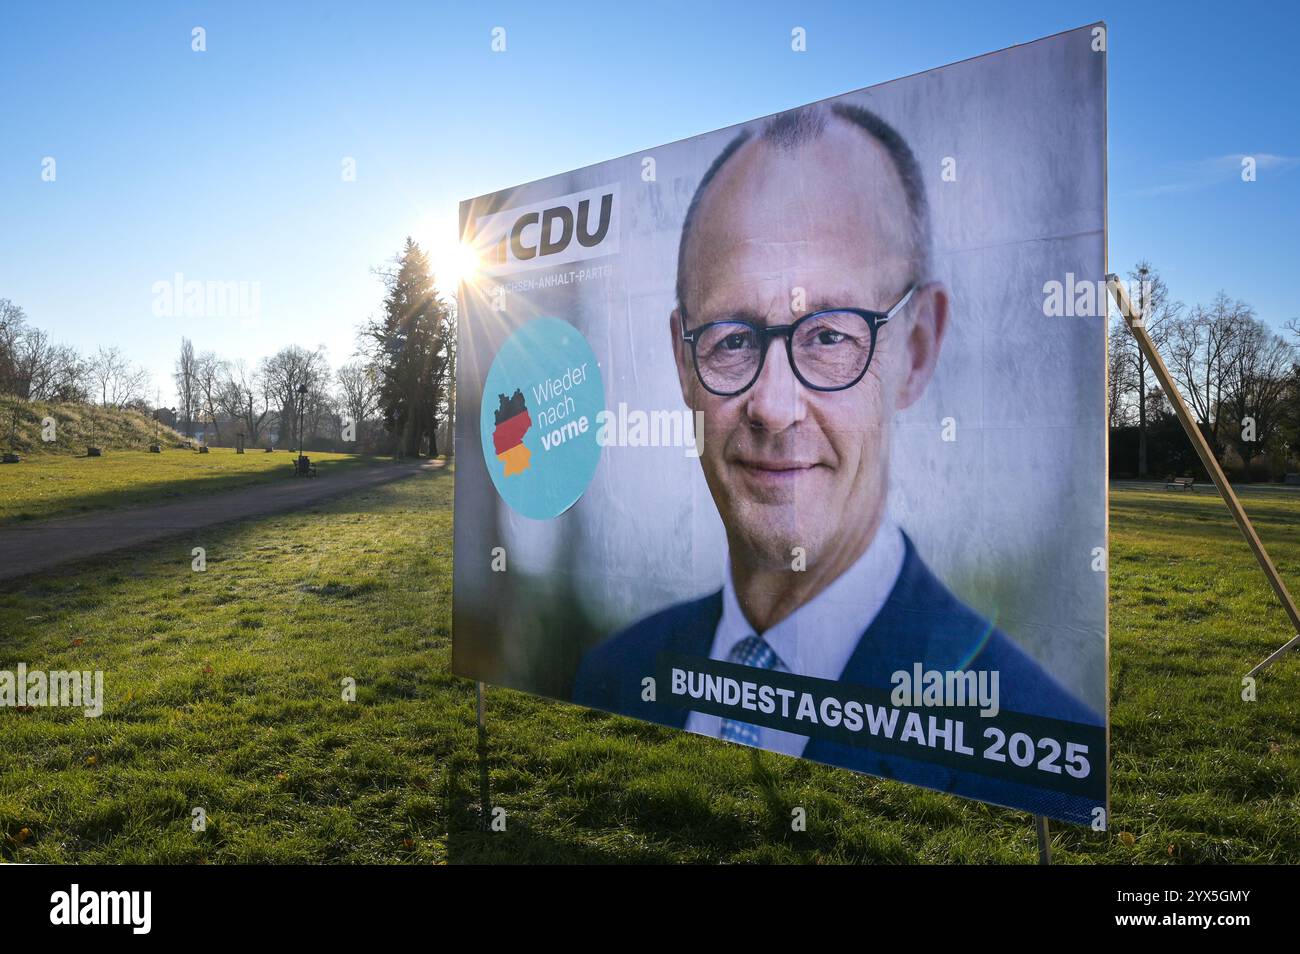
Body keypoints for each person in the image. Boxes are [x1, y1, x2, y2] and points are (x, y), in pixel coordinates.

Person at [572, 103, 1100, 809]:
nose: (774, 406)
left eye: (828, 336)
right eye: (732, 339)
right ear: (681, 360)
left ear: (916, 351)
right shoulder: (612, 675)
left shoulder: (1042, 761)